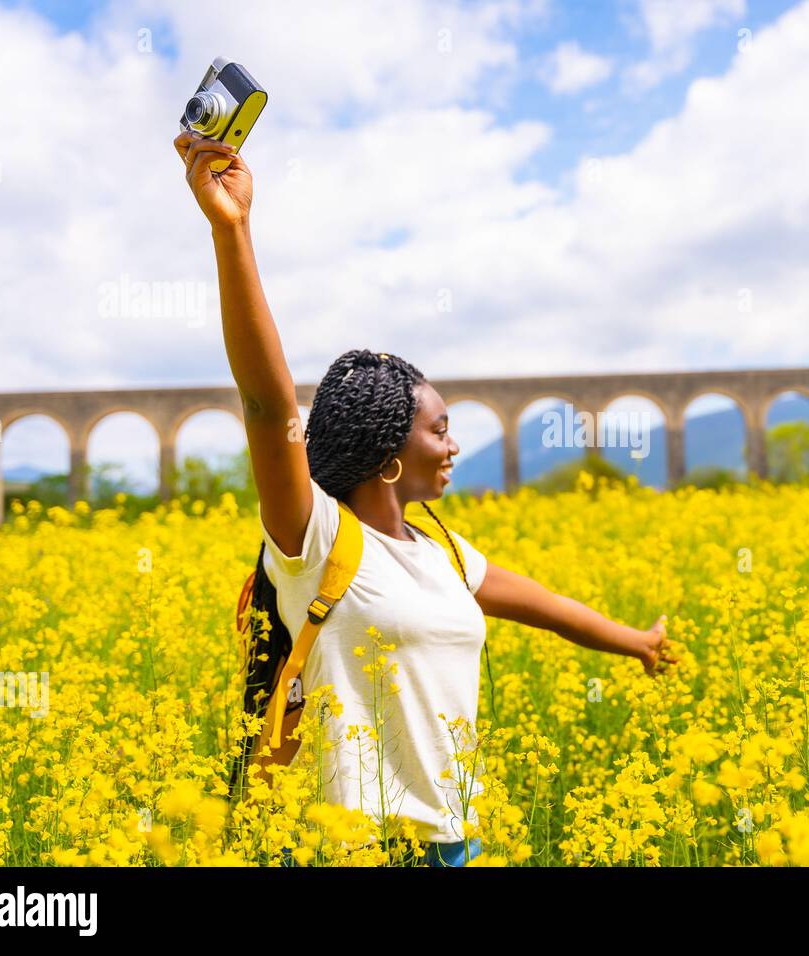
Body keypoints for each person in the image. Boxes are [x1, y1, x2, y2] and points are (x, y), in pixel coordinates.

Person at [173, 130, 678, 867]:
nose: (452, 446)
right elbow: (265, 401)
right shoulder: (314, 539)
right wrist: (234, 229)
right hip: (348, 849)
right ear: (387, 449)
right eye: (438, 430)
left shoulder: (441, 551)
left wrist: (636, 643)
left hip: (455, 846)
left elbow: (543, 605)